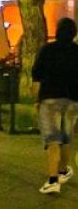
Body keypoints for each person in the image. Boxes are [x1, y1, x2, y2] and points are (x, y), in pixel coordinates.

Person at [32, 17, 78, 194]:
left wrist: (36, 101)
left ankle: (53, 181)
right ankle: (63, 171)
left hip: (50, 100)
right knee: (66, 139)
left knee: (53, 140)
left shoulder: (47, 51)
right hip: (73, 101)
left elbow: (36, 79)